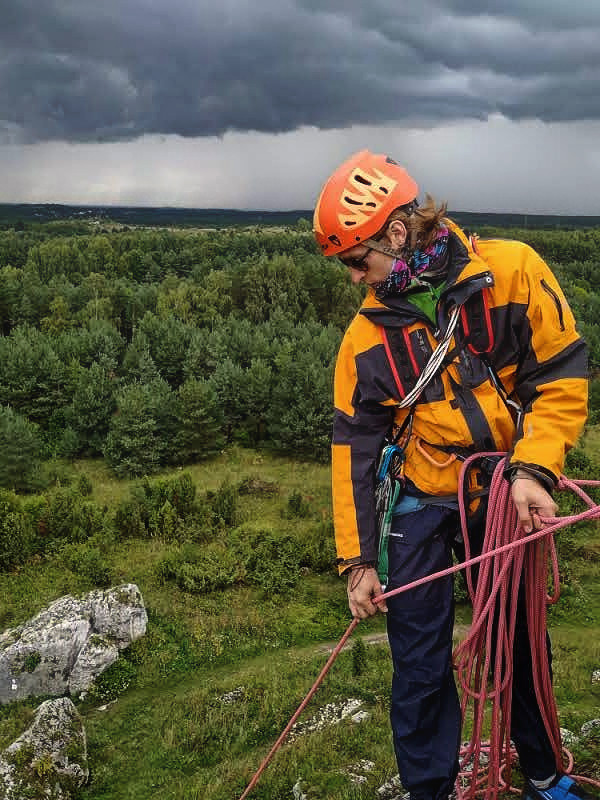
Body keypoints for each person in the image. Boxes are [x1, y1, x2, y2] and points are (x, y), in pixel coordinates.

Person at [313, 150, 592, 800]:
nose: (356, 278)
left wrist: (534, 470)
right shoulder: (365, 340)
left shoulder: (512, 274)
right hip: (419, 500)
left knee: (520, 638)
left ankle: (545, 772)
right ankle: (430, 791)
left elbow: (561, 373)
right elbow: (353, 445)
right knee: (419, 665)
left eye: (359, 260)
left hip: (503, 486)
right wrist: (358, 561)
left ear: (398, 232)